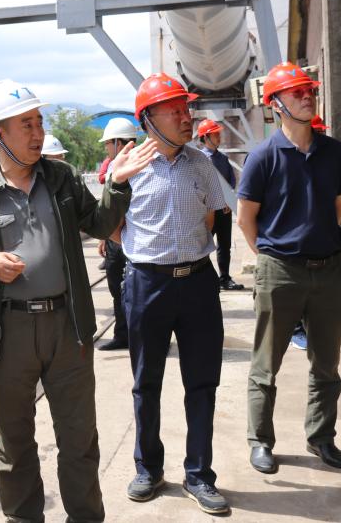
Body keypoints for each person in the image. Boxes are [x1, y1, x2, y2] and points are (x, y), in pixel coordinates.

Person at [0, 80, 153, 523]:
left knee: (79, 440)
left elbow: (99, 224)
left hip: (66, 327)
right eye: (26, 124)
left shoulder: (61, 178)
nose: (38, 132)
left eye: (39, 122)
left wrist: (117, 185)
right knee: (14, 444)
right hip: (7, 334)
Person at [121, 73, 229, 515]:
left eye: (187, 110)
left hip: (198, 282)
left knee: (202, 382)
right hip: (147, 284)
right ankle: (148, 468)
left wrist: (186, 252)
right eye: (176, 111)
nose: (187, 118)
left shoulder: (201, 164)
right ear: (148, 119)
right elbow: (111, 227)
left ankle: (199, 474)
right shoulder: (129, 168)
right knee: (146, 382)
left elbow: (213, 217)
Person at [238, 63, 341, 474]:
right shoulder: (262, 157)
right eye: (297, 92)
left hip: (329, 272)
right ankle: (260, 441)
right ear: (276, 104)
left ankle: (321, 437)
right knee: (266, 364)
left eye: (310, 91)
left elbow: (338, 208)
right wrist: (272, 257)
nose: (308, 97)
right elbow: (246, 219)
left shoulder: (334, 152)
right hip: (280, 272)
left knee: (327, 363)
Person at [95, 117, 140, 351]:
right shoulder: (114, 167)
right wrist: (105, 237)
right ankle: (123, 335)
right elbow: (108, 208)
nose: (106, 148)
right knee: (117, 289)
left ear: (117, 143)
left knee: (135, 291)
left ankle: (137, 337)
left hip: (133, 240)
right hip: (116, 239)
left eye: (107, 143)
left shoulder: (139, 165)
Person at [196, 119, 245, 291]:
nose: (219, 137)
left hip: (224, 210)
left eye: (218, 133)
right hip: (207, 210)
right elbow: (200, 186)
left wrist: (228, 200)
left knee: (225, 245)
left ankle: (224, 278)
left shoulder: (223, 158)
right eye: (215, 134)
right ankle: (202, 279)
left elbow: (231, 181)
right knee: (203, 246)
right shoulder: (199, 159)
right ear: (205, 137)